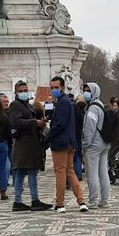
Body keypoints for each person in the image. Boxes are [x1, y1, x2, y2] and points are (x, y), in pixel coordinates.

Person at [47, 76, 88, 213]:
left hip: (61, 142)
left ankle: (60, 203)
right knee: (70, 171)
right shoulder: (67, 101)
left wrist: (48, 136)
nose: (53, 90)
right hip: (70, 141)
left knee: (60, 172)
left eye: (56, 88)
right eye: (52, 88)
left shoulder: (62, 102)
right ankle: (81, 200)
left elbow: (60, 124)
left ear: (62, 87)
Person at [9, 81, 52, 212]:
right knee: (26, 172)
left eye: (25, 90)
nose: (24, 93)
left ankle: (21, 201)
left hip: (31, 142)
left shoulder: (27, 104)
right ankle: (30, 200)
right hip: (24, 142)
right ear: (16, 92)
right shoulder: (15, 105)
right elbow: (16, 121)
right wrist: (35, 122)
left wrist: (41, 122)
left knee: (26, 172)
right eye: (21, 91)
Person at [82, 82, 112, 207]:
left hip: (94, 145)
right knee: (103, 173)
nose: (86, 92)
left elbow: (90, 128)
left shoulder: (93, 108)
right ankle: (105, 199)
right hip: (104, 144)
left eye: (88, 90)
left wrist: (85, 144)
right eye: (84, 90)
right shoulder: (100, 104)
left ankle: (93, 200)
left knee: (92, 174)